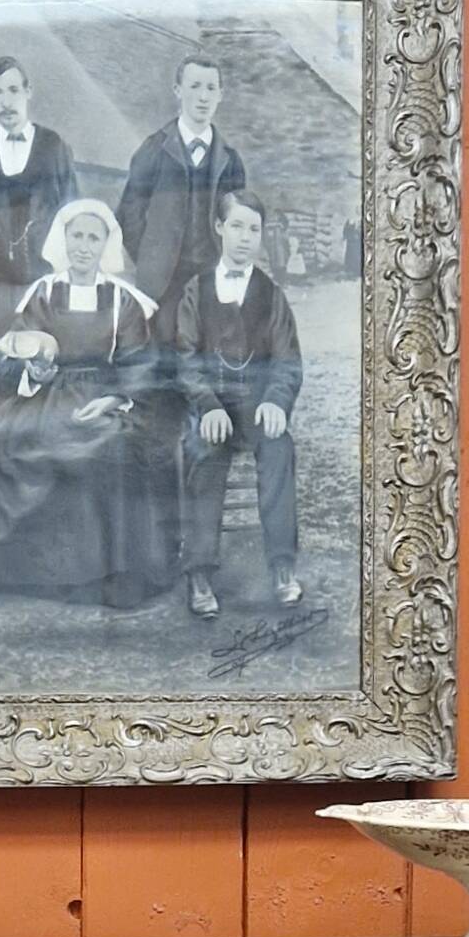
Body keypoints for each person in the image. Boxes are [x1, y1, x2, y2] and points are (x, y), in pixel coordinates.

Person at [0, 199, 177, 609]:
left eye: (92, 238)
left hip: (105, 396)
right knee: (11, 444)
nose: (83, 246)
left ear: (105, 245)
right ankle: (37, 574)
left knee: (113, 450)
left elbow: (141, 364)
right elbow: (16, 352)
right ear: (64, 241)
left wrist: (115, 399)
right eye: (76, 236)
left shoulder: (123, 301)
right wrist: (36, 368)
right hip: (50, 394)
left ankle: (108, 575)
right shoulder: (43, 293)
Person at [172, 187, 303, 617]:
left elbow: (286, 360)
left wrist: (277, 401)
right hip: (212, 405)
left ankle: (282, 565)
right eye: (237, 227)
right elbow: (186, 359)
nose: (245, 237)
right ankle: (199, 571)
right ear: (218, 229)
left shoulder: (272, 295)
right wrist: (206, 404)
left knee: (279, 448)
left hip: (257, 405)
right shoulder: (196, 291)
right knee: (202, 452)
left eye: (254, 229)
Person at [0, 54, 78, 337]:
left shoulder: (53, 147)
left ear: (27, 92)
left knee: (42, 374)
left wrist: (71, 285)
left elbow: (74, 219)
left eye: (13, 90)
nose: (6, 102)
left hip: (43, 286)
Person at [116, 55, 247, 325]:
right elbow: (129, 213)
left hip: (212, 278)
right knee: (164, 359)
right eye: (194, 86)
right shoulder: (153, 150)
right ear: (178, 90)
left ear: (221, 95)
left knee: (209, 356)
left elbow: (238, 222)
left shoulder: (230, 160)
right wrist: (150, 258)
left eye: (211, 89)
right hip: (162, 285)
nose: (203, 97)